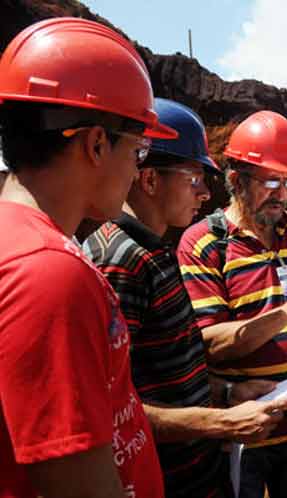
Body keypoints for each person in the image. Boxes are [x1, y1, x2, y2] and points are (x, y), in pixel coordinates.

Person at [0, 18, 177, 498]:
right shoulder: (48, 271)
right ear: (97, 144)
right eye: (139, 150)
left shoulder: (21, 242)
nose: (137, 171)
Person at [83, 98, 287, 497]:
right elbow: (114, 409)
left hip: (199, 474)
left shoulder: (155, 251)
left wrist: (226, 394)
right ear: (149, 180)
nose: (205, 193)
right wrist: (221, 423)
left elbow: (172, 371)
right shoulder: (119, 263)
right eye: (194, 178)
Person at [177, 110, 287, 498]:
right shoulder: (203, 243)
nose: (282, 193)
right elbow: (210, 343)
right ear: (236, 181)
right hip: (245, 429)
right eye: (272, 181)